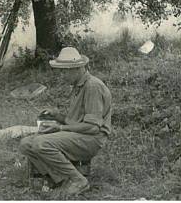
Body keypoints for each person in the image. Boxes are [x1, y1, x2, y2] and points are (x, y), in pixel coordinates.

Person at [19, 47, 112, 197]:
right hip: (79, 135)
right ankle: (61, 180)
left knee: (41, 143)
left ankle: (78, 180)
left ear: (76, 69)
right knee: (26, 144)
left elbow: (93, 128)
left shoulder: (92, 86)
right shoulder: (78, 86)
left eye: (64, 71)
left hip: (91, 140)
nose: (62, 75)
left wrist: (60, 127)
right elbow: (75, 122)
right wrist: (56, 116)